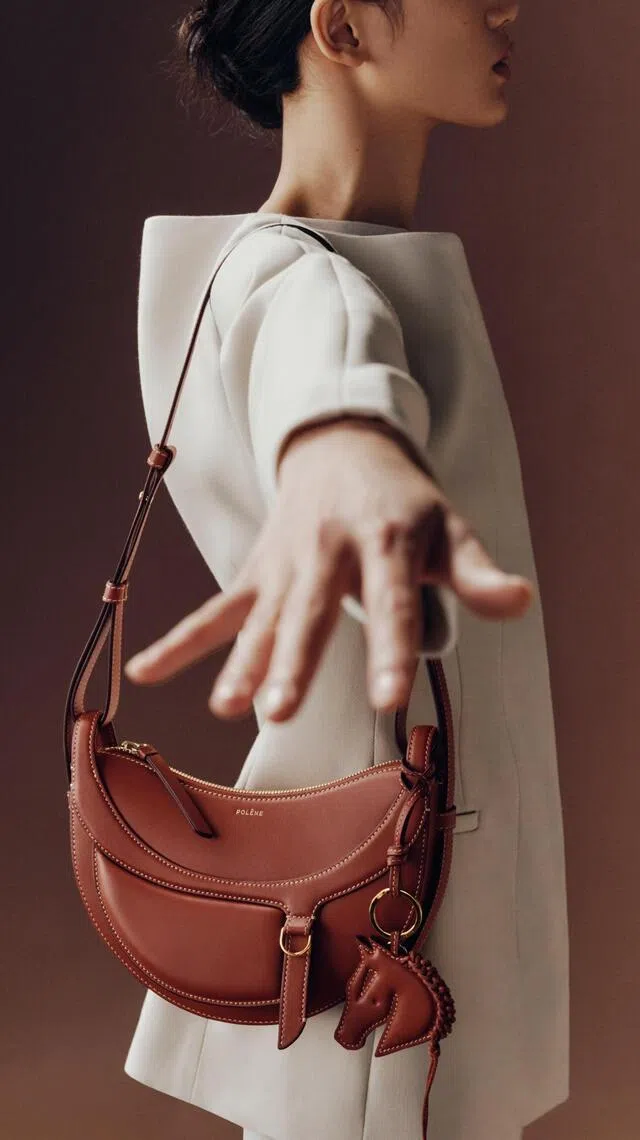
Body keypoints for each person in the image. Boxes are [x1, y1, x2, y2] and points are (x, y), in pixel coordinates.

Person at [121, 1, 570, 1138]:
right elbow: (322, 355)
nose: (507, 6)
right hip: (384, 896)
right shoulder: (294, 279)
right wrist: (344, 447)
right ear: (343, 26)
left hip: (389, 873)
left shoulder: (311, 265)